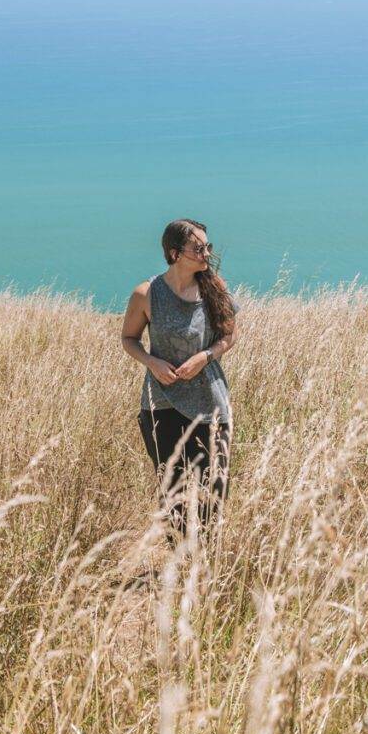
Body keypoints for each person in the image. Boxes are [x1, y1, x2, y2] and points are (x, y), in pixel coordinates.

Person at [121, 218, 241, 543]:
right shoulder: (146, 294)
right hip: (160, 405)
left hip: (210, 403)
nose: (206, 253)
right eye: (198, 247)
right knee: (172, 490)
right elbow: (129, 338)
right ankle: (180, 568)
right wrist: (151, 361)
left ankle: (205, 569)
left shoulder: (215, 288)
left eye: (207, 246)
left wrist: (205, 357)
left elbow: (229, 336)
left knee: (212, 491)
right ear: (175, 254)